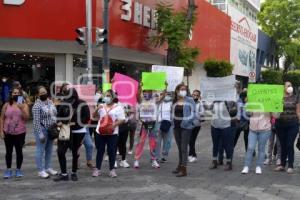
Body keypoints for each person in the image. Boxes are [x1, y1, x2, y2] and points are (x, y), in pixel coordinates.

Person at [54, 88, 90, 181]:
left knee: (75, 152)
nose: (70, 100)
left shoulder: (82, 104)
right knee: (60, 151)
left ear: (76, 96)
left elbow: (86, 117)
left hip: (78, 131)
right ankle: (64, 174)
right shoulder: (64, 104)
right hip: (65, 131)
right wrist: (59, 122)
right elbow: (58, 117)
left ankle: (74, 172)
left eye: (72, 98)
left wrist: (75, 123)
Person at [92, 90, 125, 178]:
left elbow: (122, 119)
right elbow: (94, 116)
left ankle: (112, 170)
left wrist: (114, 125)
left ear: (113, 97)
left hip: (112, 133)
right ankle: (97, 169)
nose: (107, 97)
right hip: (100, 132)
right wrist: (97, 108)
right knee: (100, 151)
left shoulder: (118, 107)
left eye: (109, 96)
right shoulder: (101, 106)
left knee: (112, 151)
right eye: (106, 95)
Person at [0, 87, 30, 178]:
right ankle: (8, 170)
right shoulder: (6, 104)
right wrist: (1, 131)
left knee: (19, 151)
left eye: (17, 93)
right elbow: (2, 118)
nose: (16, 94)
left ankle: (18, 170)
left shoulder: (23, 104)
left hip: (20, 133)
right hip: (8, 132)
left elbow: (27, 118)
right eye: (14, 93)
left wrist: (22, 109)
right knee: (8, 152)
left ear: (20, 94)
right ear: (11, 94)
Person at [32, 86, 58, 179]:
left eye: (45, 92)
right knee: (40, 150)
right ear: (38, 95)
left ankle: (48, 167)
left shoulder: (50, 102)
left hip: (51, 129)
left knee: (49, 150)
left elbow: (55, 114)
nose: (43, 94)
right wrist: (40, 134)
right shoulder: (37, 105)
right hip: (42, 130)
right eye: (41, 93)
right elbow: (35, 121)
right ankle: (40, 170)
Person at [274, 81, 300, 174]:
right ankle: (282, 165)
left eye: (291, 85)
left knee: (289, 144)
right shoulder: (278, 97)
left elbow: (298, 111)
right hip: (280, 124)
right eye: (288, 85)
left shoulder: (296, 97)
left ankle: (290, 165)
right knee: (282, 144)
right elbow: (275, 112)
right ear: (284, 88)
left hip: (293, 124)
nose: (290, 87)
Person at [172, 84, 196, 177]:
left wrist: (187, 121)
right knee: (179, 148)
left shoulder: (189, 100)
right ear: (177, 90)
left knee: (184, 148)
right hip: (176, 127)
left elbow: (194, 113)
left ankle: (184, 169)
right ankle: (180, 165)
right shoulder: (175, 100)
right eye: (181, 89)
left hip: (186, 127)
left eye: (185, 89)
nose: (183, 91)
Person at [133, 88, 160, 169]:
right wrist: (140, 87)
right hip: (143, 124)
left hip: (153, 124)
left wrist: (165, 87)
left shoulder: (154, 100)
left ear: (151, 93)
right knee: (140, 142)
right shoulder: (141, 101)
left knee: (153, 142)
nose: (146, 93)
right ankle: (137, 160)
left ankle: (154, 159)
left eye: (148, 92)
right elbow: (137, 95)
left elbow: (162, 97)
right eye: (145, 92)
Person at [210, 99, 237, 171]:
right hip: (214, 125)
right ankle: (214, 161)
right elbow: (208, 109)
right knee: (215, 144)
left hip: (226, 126)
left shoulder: (228, 101)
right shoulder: (214, 101)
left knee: (227, 145)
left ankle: (229, 162)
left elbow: (234, 111)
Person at [155, 91, 173, 163]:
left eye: (168, 94)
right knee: (157, 141)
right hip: (159, 123)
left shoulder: (172, 103)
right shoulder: (158, 103)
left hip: (169, 124)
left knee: (167, 141)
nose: (166, 96)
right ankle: (156, 156)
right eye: (164, 94)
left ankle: (164, 155)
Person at [188, 90, 204, 163]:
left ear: (199, 96)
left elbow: (202, 112)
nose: (195, 96)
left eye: (197, 95)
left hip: (196, 125)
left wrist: (194, 114)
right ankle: (192, 154)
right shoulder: (188, 103)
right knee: (190, 140)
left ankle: (191, 155)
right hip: (189, 124)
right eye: (194, 95)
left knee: (192, 140)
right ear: (192, 95)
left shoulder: (200, 103)